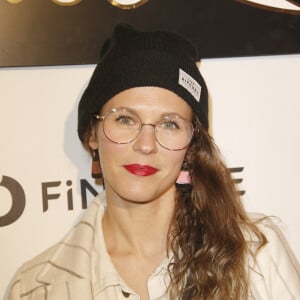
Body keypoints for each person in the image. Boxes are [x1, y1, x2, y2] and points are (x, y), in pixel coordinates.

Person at [8, 24, 299, 300]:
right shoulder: (33, 288)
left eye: (170, 124)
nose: (145, 145)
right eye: (125, 119)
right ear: (92, 134)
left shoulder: (255, 253)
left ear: (191, 145)